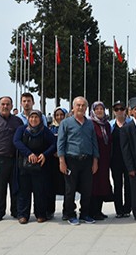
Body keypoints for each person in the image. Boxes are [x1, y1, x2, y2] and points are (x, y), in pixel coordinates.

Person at [57, 96, 99, 225]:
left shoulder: (90, 123)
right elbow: (61, 143)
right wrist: (62, 161)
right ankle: (70, 214)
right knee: (70, 189)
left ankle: (85, 214)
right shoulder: (66, 123)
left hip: (87, 160)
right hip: (71, 160)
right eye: (78, 105)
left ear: (86, 108)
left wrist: (95, 160)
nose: (80, 108)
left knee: (87, 189)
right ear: (73, 107)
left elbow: (94, 142)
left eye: (83, 106)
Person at [0, 96, 24, 222]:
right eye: (3, 104)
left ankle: (16, 211)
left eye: (8, 104)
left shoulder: (17, 121)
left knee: (15, 187)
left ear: (12, 106)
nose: (5, 106)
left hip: (15, 160)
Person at [13, 110, 56, 224]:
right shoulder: (22, 130)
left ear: (40, 119)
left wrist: (44, 154)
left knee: (40, 191)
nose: (33, 119)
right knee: (24, 191)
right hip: (24, 165)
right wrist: (29, 154)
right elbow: (16, 141)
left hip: (40, 166)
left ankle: (40, 214)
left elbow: (54, 144)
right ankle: (23, 215)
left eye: (36, 117)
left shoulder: (45, 131)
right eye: (31, 117)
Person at [89, 101, 114, 220]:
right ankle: (92, 211)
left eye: (101, 109)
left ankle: (99, 210)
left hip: (105, 160)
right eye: (97, 109)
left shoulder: (107, 125)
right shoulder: (90, 124)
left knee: (102, 185)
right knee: (94, 185)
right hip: (95, 159)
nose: (99, 111)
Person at [110, 101, 132, 218]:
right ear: (114, 111)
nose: (119, 111)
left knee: (129, 185)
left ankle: (127, 208)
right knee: (117, 185)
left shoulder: (131, 123)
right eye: (116, 109)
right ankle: (119, 210)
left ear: (125, 110)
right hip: (115, 160)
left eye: (121, 109)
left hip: (128, 160)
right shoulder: (110, 125)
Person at [46, 107, 67, 219]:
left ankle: (67, 210)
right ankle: (50, 210)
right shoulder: (51, 129)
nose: (59, 117)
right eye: (57, 115)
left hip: (65, 160)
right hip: (52, 161)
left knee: (67, 187)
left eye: (62, 115)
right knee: (51, 186)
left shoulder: (69, 127)